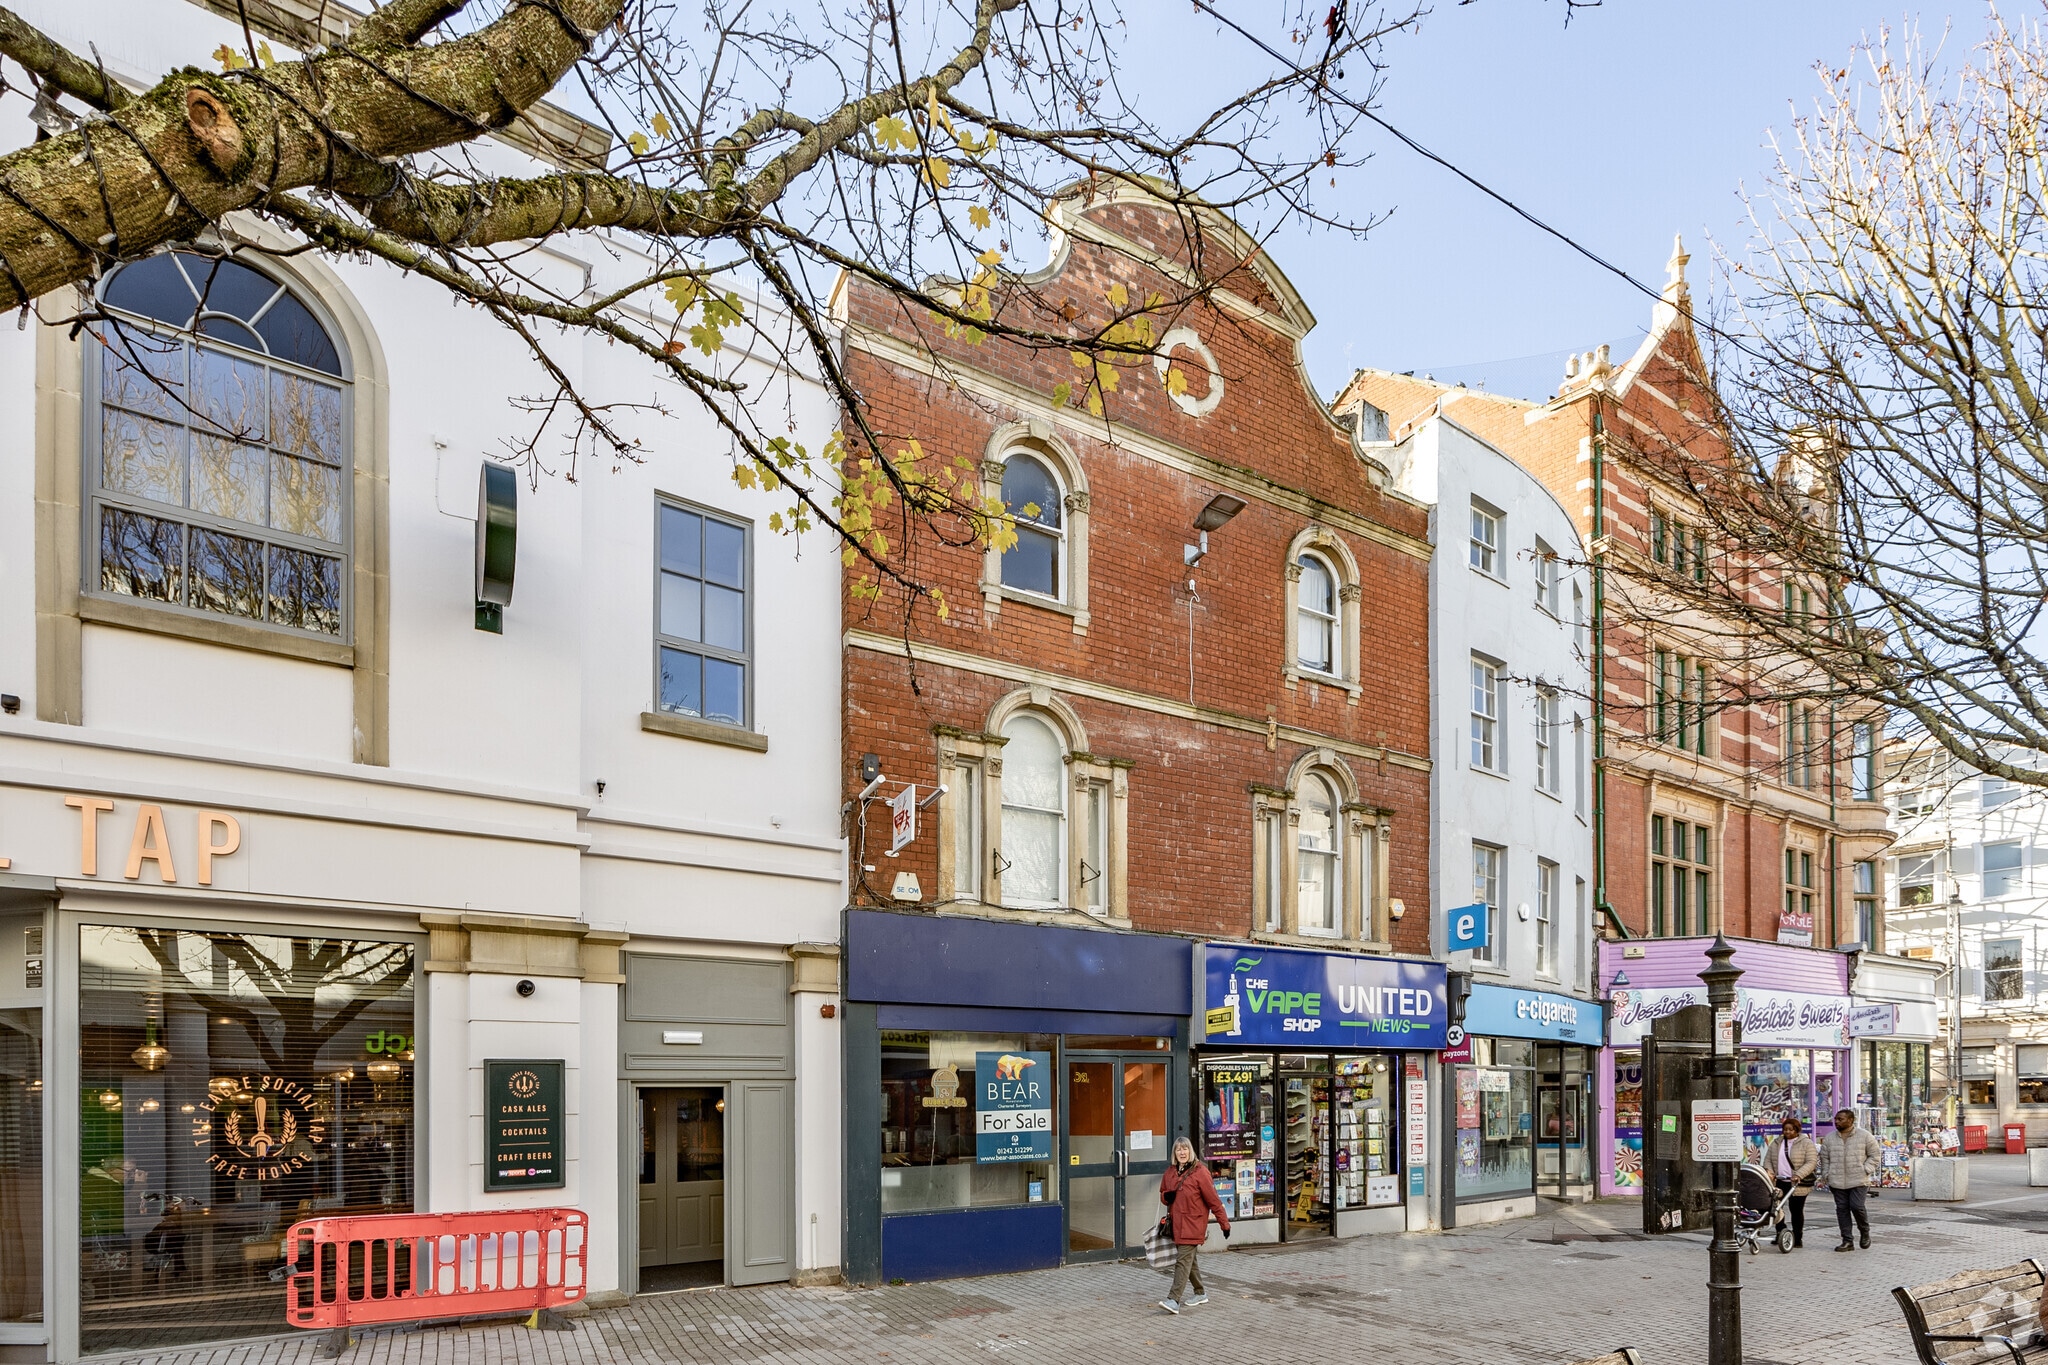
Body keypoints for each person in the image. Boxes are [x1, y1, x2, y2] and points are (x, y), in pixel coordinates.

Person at [1157, 1136, 1229, 1313]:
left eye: (1185, 1149)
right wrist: (1166, 1196)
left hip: (1193, 1225)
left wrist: (1224, 1224)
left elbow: (1214, 1201)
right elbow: (1163, 1194)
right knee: (1189, 1261)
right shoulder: (1170, 1172)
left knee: (1182, 1261)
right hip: (1176, 1225)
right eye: (1178, 1149)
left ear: (1191, 1151)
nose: (1182, 1152)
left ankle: (1173, 1299)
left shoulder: (1200, 1172)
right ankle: (1200, 1293)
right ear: (1174, 1153)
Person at [1816, 1107, 1882, 1251]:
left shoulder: (1864, 1136)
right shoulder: (1830, 1138)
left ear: (1850, 1120)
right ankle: (1847, 1240)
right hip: (1837, 1180)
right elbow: (1824, 1158)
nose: (1837, 1122)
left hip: (1858, 1179)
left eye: (1840, 1119)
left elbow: (1875, 1155)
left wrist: (1866, 1169)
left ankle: (1864, 1231)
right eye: (1836, 1119)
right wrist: (1826, 1174)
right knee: (1842, 1210)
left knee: (1857, 1206)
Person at [1763, 1117, 1819, 1248]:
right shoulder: (1777, 1142)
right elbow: (1768, 1159)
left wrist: (1799, 1174)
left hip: (1797, 1183)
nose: (1787, 1132)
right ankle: (1781, 1233)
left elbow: (1811, 1161)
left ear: (1797, 1130)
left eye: (1790, 1129)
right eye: (1785, 1129)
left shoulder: (1806, 1143)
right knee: (1776, 1208)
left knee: (1796, 1210)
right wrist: (1770, 1171)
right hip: (1779, 1181)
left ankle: (1797, 1238)